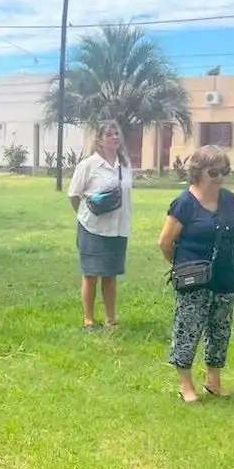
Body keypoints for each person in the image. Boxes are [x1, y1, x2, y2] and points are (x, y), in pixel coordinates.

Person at [158, 145, 234, 403]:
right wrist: (182, 265)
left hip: (225, 275)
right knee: (188, 328)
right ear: (198, 171)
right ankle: (186, 385)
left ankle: (214, 381)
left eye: (224, 171)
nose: (220, 177)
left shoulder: (230, 200)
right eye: (213, 172)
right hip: (194, 277)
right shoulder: (184, 203)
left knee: (220, 330)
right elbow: (165, 242)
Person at [68, 120, 133, 330]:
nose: (115, 137)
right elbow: (74, 195)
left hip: (118, 227)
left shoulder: (125, 165)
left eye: (116, 133)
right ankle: (89, 319)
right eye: (109, 134)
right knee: (90, 274)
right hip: (92, 228)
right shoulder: (88, 166)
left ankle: (111, 318)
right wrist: (86, 214)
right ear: (99, 140)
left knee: (110, 275)